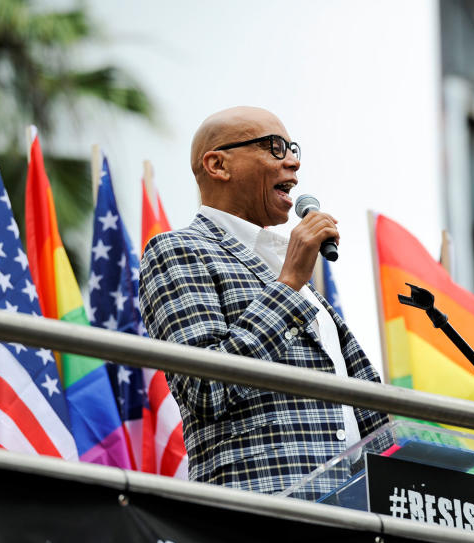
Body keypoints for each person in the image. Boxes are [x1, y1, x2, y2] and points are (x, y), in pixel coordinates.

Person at [138, 106, 388, 496]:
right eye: (274, 148)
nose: (294, 161)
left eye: (292, 148)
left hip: (356, 519)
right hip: (263, 519)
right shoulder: (178, 250)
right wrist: (288, 284)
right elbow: (205, 387)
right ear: (218, 164)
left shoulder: (284, 266)